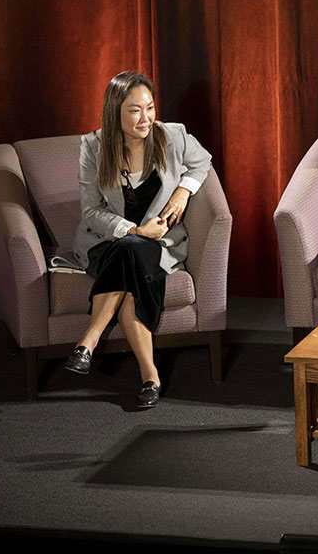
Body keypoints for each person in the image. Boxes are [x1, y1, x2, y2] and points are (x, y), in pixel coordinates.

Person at [64, 71, 213, 407]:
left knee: (132, 258)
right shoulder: (94, 146)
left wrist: (184, 192)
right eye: (134, 110)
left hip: (156, 243)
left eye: (149, 107)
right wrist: (134, 231)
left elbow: (203, 163)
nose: (146, 118)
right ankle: (151, 377)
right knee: (130, 255)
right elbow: (92, 213)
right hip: (105, 243)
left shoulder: (173, 136)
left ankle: (88, 341)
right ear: (115, 111)